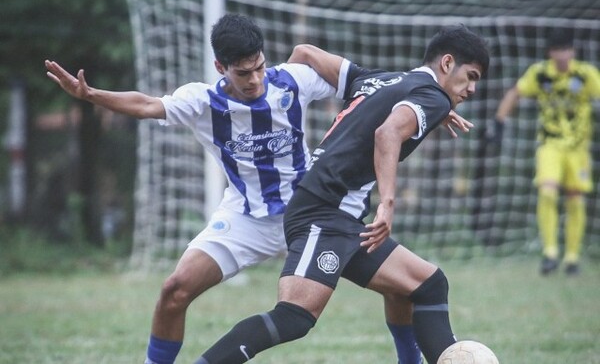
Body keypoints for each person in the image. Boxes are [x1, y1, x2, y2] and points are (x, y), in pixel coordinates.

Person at [46, 14, 464, 364]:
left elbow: (367, 86)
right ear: (220, 68)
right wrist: (91, 95)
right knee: (175, 290)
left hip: (317, 210)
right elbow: (145, 105)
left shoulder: (292, 81)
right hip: (247, 218)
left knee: (408, 285)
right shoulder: (203, 101)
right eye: (243, 72)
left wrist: (427, 103)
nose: (255, 79)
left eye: (260, 66)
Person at [193, 24, 490, 364]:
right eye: (470, 76)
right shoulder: (430, 96)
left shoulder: (383, 80)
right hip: (324, 212)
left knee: (427, 284)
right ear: (447, 63)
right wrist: (388, 204)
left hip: (338, 216)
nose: (471, 89)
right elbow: (388, 133)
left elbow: (304, 53)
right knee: (294, 316)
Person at [493, 27, 600, 276]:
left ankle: (572, 257)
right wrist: (499, 123)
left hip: (578, 149)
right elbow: (515, 93)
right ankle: (550, 252)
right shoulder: (540, 73)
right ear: (550, 52)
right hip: (549, 145)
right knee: (548, 193)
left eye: (565, 50)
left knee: (575, 199)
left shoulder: (585, 74)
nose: (561, 55)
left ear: (573, 51)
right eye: (557, 50)